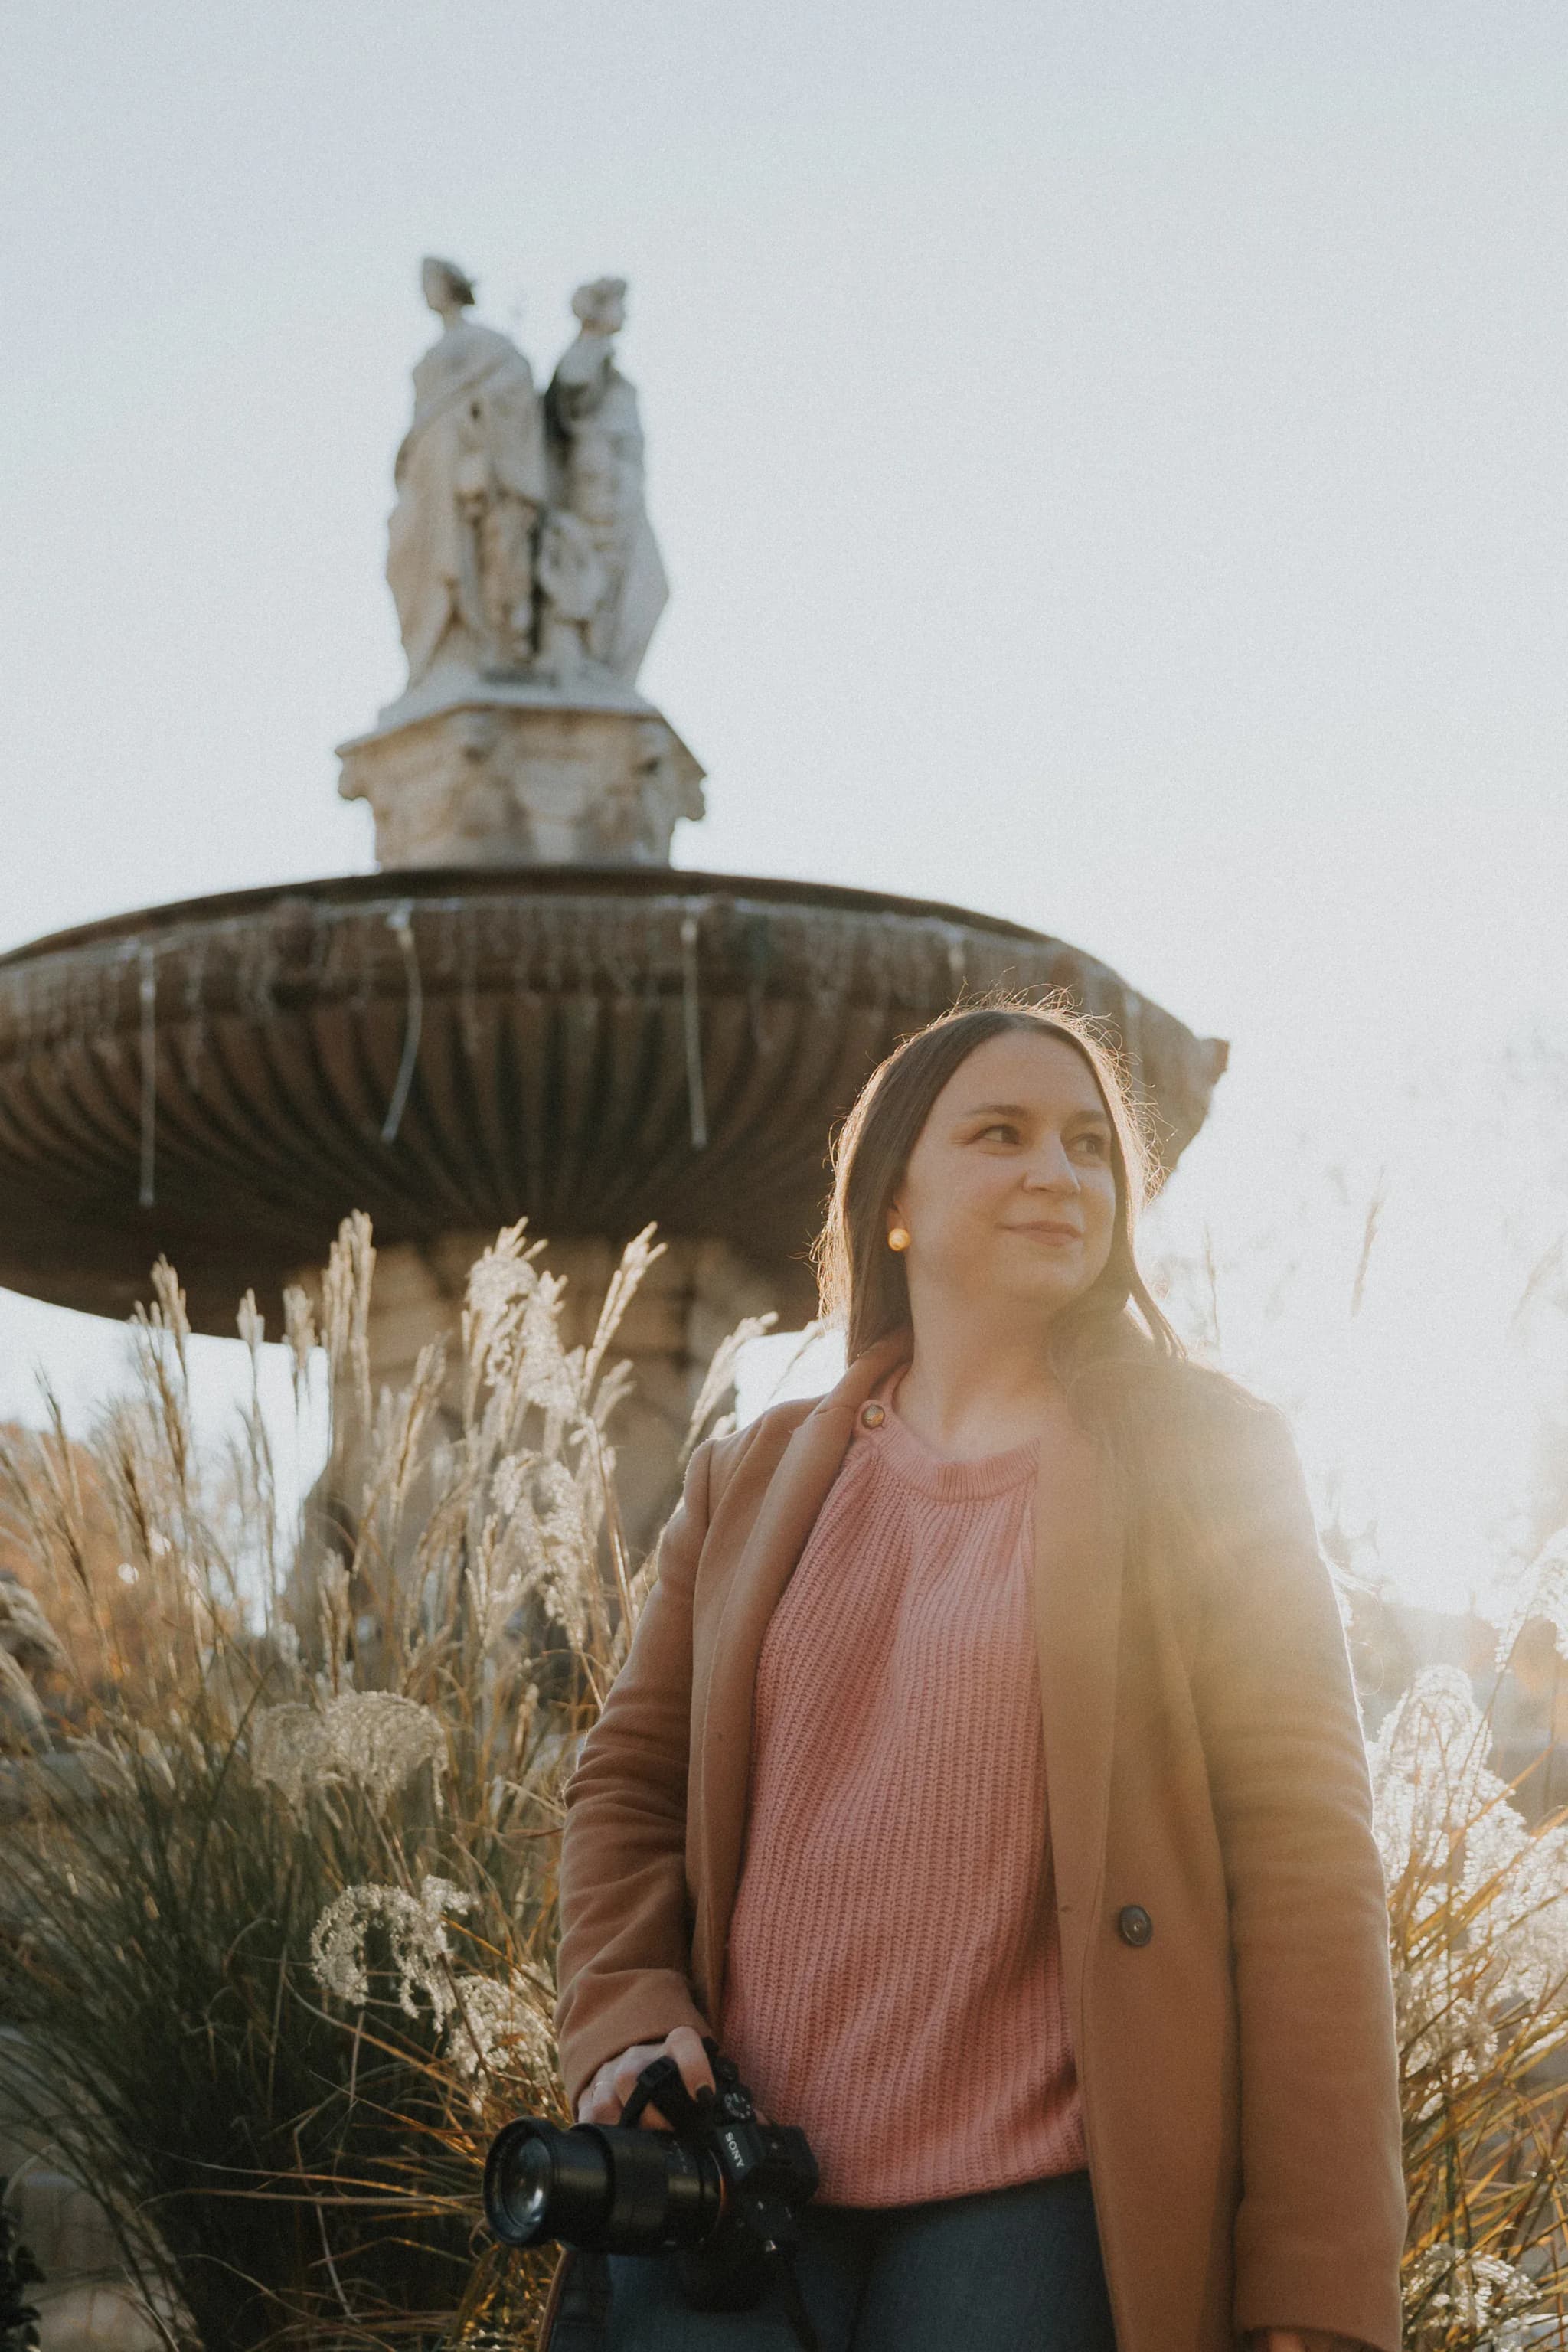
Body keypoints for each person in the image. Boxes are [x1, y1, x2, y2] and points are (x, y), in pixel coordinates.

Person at [547, 1001, 1406, 2352]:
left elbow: (1309, 1873)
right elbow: (628, 1786)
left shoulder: (1211, 1460)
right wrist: (624, 2018)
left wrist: (1316, 2281)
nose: (1058, 1175)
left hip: (1037, 2200)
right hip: (731, 2182)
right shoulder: (747, 1478)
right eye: (999, 1135)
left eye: (1088, 1147)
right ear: (892, 1199)